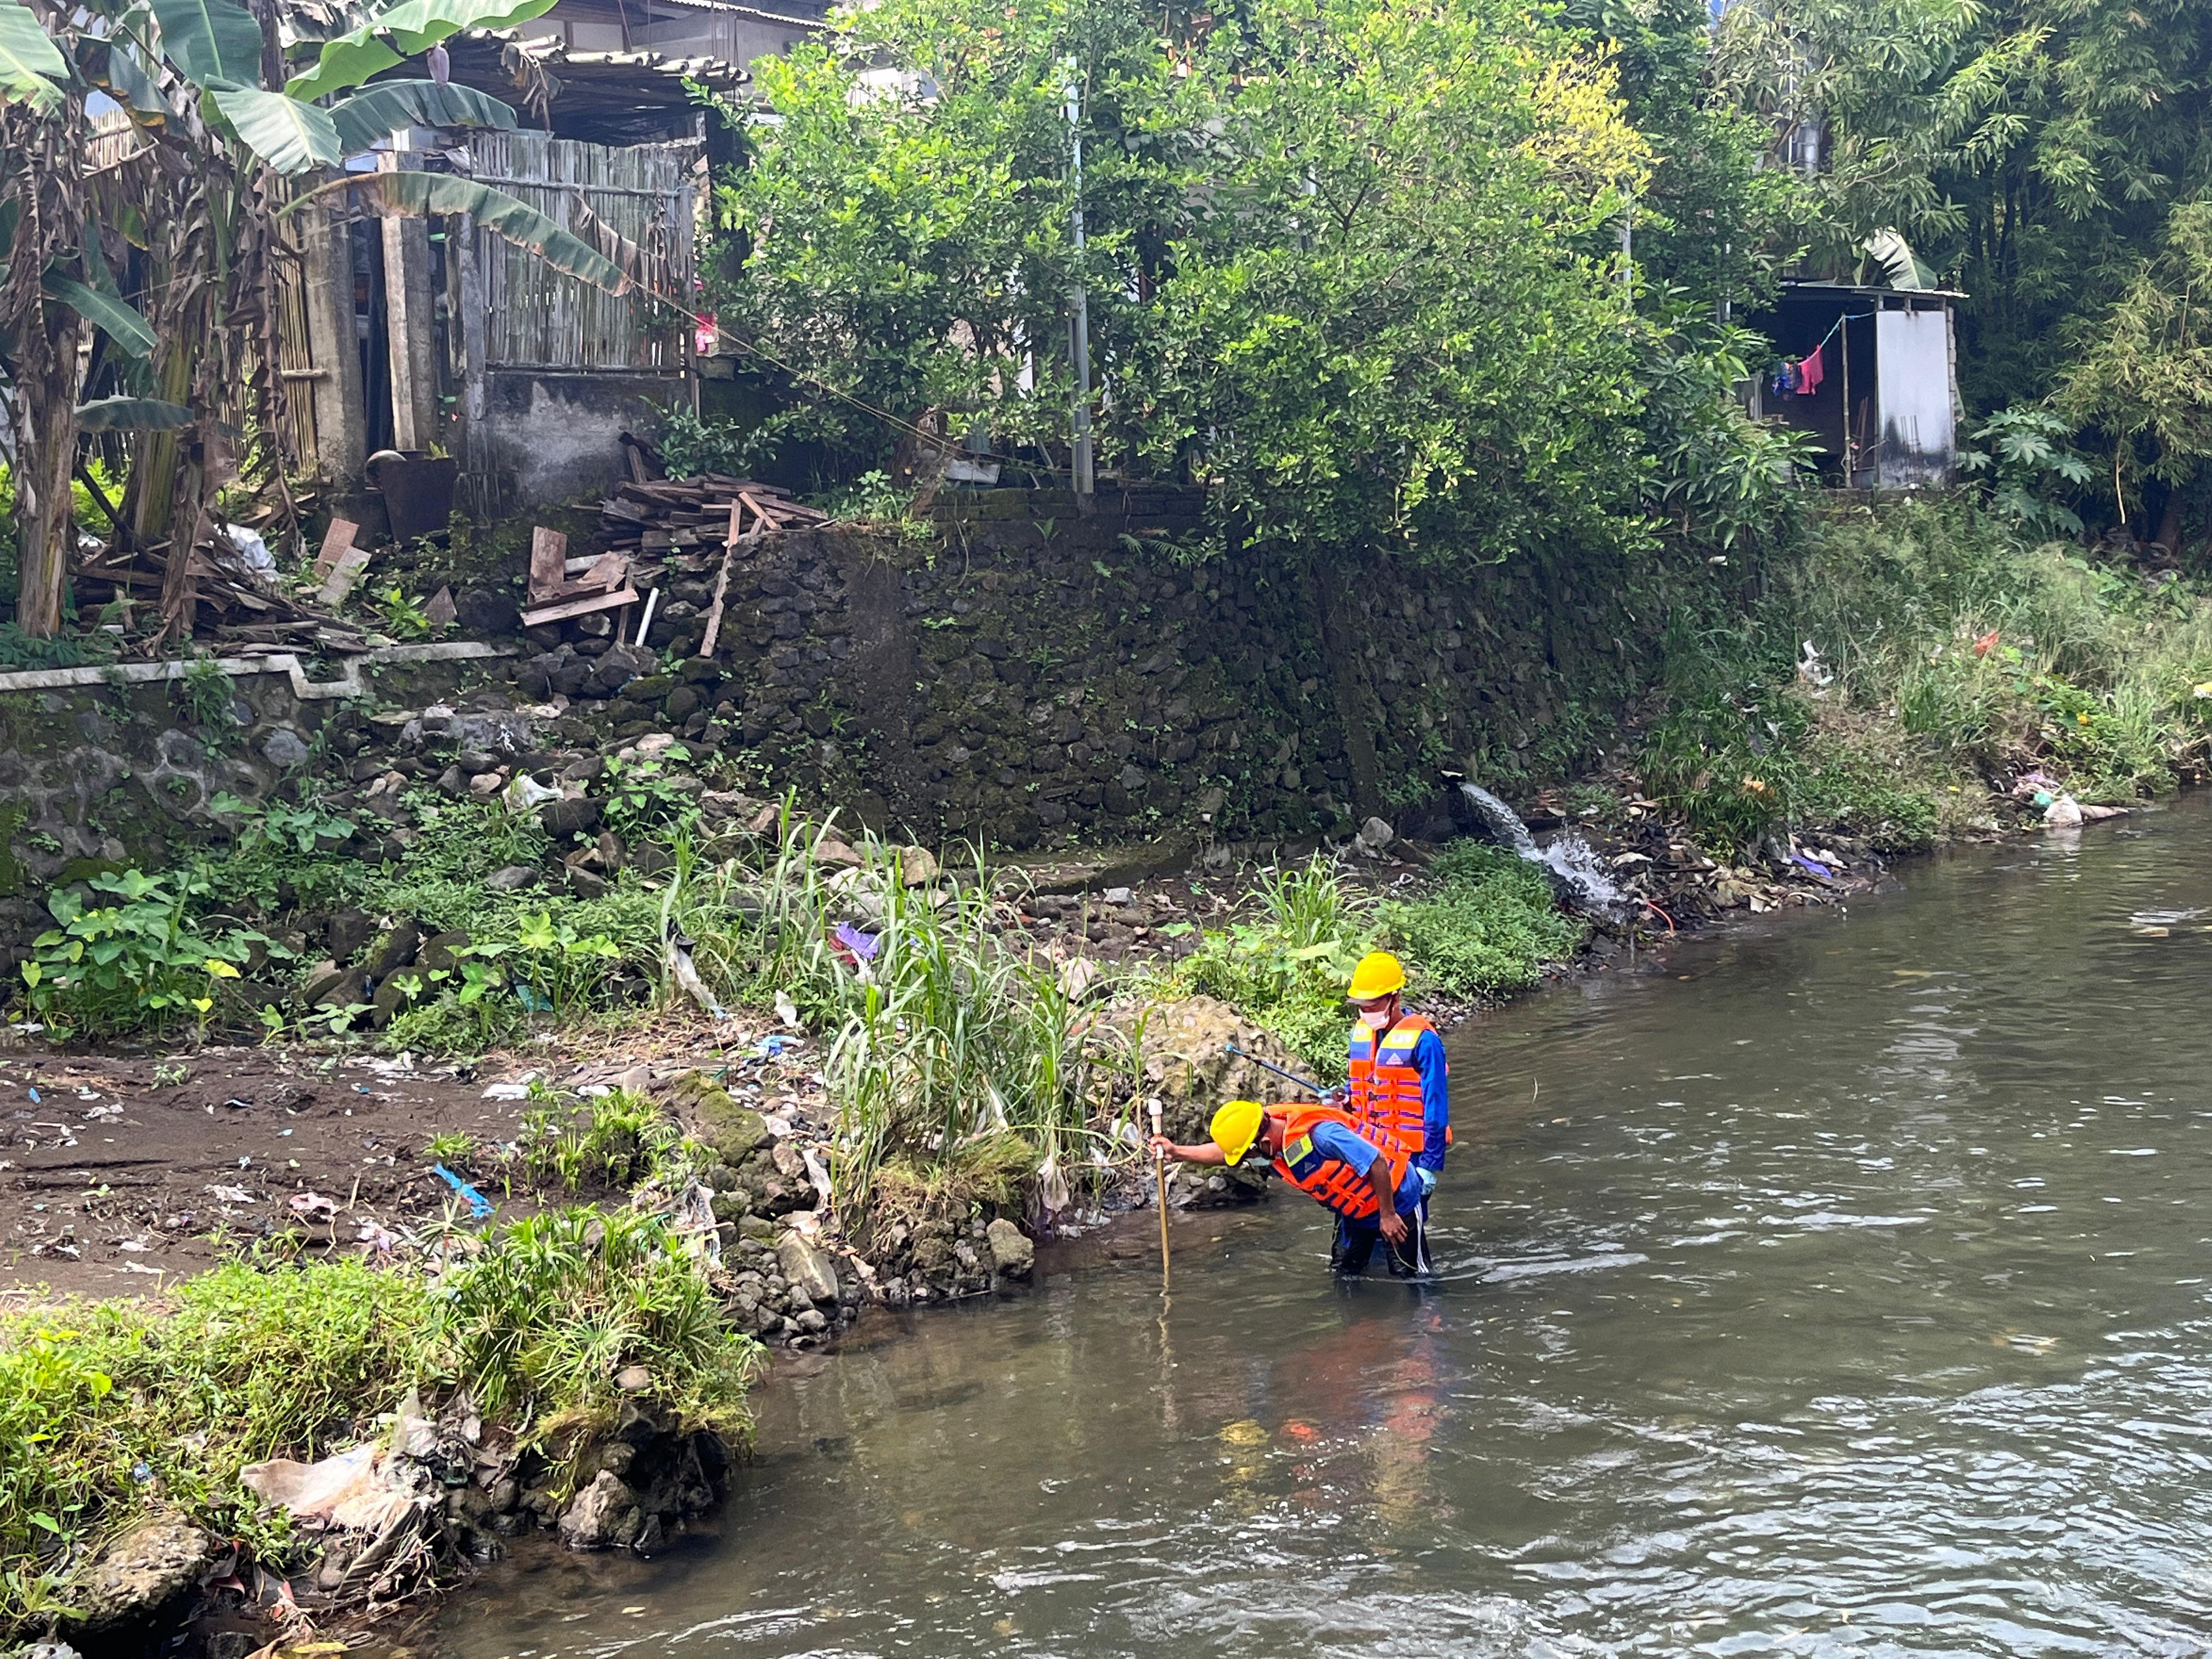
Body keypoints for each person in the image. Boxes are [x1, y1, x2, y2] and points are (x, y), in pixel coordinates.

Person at [1150, 1098, 1432, 1277]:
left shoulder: (1321, 1135)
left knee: (1409, 1276)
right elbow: (1225, 1152)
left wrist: (1387, 1214)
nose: (1246, 1161)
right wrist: (1178, 1152)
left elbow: (1376, 1162)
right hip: (1356, 1209)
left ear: (1261, 1144)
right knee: (1345, 1273)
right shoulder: (1267, 1141)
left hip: (1396, 1199)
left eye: (1247, 1155)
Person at [1339, 951, 1450, 1203]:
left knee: (1405, 1229)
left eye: (1373, 1005)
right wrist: (1345, 1096)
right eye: (1362, 1006)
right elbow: (1364, 1081)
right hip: (1366, 1148)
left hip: (1410, 1156)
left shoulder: (1425, 1041)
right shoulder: (1362, 1034)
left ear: (1395, 998)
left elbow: (1436, 1106)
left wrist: (1430, 1165)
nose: (1366, 1011)